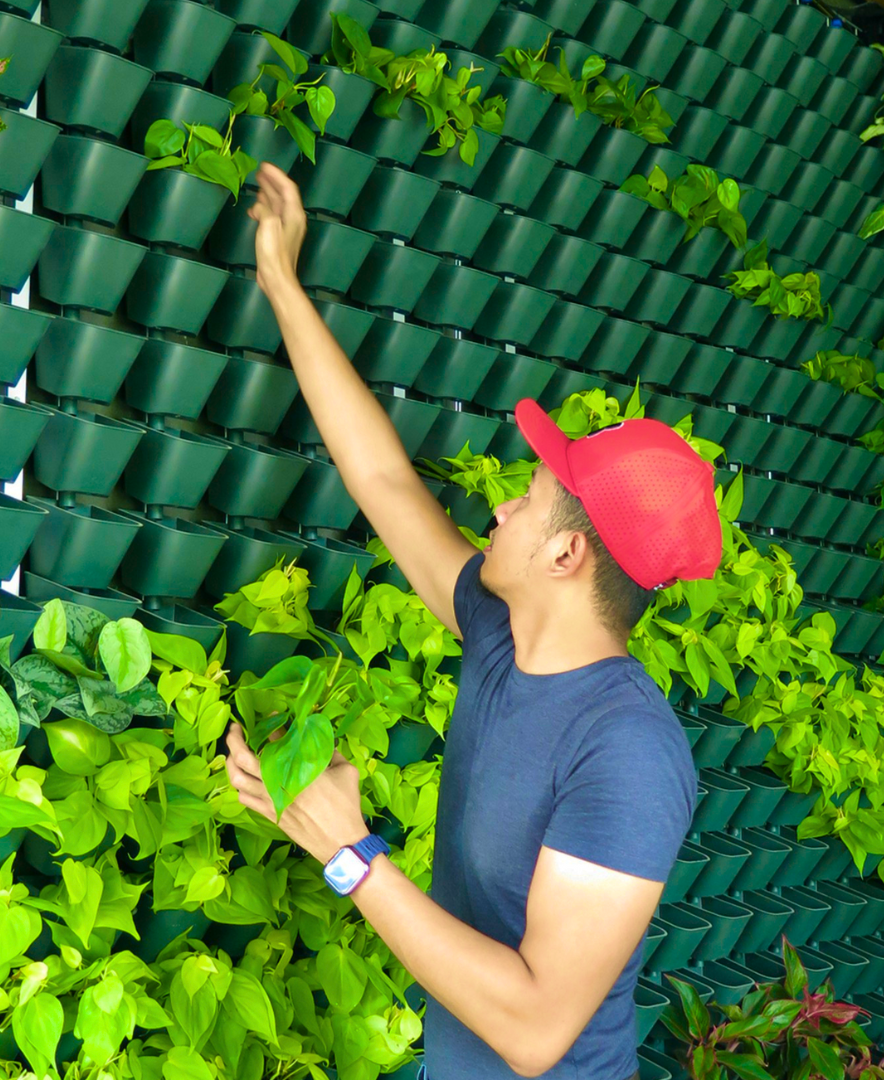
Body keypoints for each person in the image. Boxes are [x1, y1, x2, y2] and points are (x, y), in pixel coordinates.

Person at [224, 163, 723, 1080]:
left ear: (568, 557)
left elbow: (537, 1031)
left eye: (527, 503)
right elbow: (380, 480)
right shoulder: (502, 635)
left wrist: (348, 850)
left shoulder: (629, 754)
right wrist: (281, 284)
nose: (500, 511)